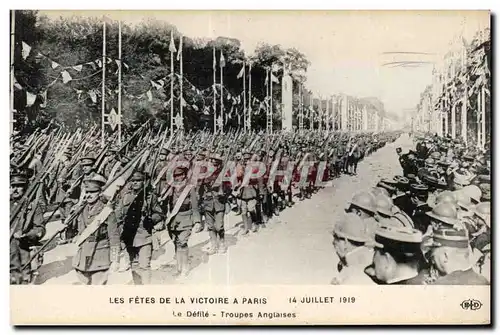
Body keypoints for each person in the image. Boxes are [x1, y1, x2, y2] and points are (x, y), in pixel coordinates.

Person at [115, 171, 164, 284]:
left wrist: (152, 219)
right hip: (129, 235)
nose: (135, 183)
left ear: (143, 182)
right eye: (133, 181)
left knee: (144, 265)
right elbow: (118, 215)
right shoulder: (125, 197)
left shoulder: (149, 197)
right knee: (134, 264)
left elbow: (159, 213)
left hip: (144, 235)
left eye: (138, 181)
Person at [72, 175, 120, 285]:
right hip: (83, 256)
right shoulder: (81, 209)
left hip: (100, 254)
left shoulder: (106, 211)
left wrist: (115, 260)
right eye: (87, 192)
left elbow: (114, 237)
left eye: (92, 192)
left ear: (99, 193)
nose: (89, 195)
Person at [163, 166, 201, 277]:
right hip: (174, 219)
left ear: (184, 175)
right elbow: (164, 202)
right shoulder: (171, 188)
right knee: (176, 243)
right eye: (175, 175)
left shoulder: (190, 188)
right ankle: (179, 267)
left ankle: (185, 267)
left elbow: (195, 206)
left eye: (180, 175)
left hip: (186, 218)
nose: (177, 177)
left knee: (182, 242)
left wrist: (197, 221)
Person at [10, 173, 47, 284]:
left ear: (25, 188)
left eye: (19, 186)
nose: (15, 189)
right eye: (12, 186)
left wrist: (26, 235)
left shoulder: (33, 206)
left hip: (22, 251)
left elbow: (40, 229)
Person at [330, 213, 376, 285]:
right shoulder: (371, 257)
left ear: (345, 242)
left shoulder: (350, 273)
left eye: (335, 239)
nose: (333, 243)